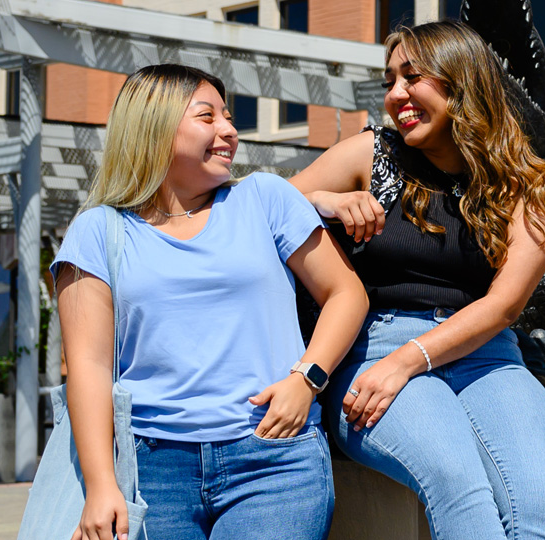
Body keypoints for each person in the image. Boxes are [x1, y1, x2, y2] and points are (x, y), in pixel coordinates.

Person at [289, 21, 545, 539]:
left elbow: (503, 306)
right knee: (460, 490)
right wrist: (324, 200)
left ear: (462, 80)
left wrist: (408, 362)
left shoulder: (533, 185)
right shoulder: (372, 155)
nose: (396, 95)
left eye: (413, 77)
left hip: (486, 355)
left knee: (538, 514)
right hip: (376, 346)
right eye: (390, 82)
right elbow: (256, 208)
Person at [53, 64, 368, 540]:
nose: (228, 130)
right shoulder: (97, 231)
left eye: (227, 116)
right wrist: (101, 487)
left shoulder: (265, 198)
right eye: (208, 117)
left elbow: (346, 294)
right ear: (154, 126)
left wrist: (306, 380)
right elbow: (88, 367)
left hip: (273, 459)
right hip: (151, 470)